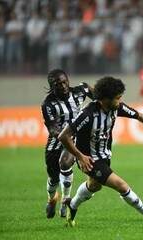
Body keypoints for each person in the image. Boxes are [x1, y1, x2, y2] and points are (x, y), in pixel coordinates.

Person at [58, 76, 143, 227]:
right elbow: (63, 136)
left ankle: (72, 205)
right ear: (105, 99)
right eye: (117, 97)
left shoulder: (116, 107)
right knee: (121, 185)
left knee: (94, 186)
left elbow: (139, 116)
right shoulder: (88, 115)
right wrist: (80, 157)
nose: (120, 100)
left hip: (105, 155)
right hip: (90, 159)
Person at [41, 69, 94, 218]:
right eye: (58, 84)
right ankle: (52, 199)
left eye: (65, 82)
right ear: (52, 86)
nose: (63, 86)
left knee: (65, 163)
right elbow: (52, 129)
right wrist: (64, 135)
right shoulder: (48, 104)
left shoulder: (80, 90)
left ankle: (66, 200)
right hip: (56, 141)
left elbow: (99, 97)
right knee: (53, 178)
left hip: (76, 137)